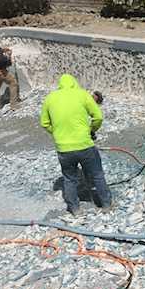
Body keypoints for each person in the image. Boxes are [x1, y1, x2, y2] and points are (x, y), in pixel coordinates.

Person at [40, 74, 112, 216]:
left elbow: (44, 123)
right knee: (97, 174)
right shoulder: (82, 94)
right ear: (74, 83)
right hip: (85, 145)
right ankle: (106, 204)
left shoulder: (50, 98)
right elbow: (98, 117)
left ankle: (75, 209)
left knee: (69, 179)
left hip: (64, 149)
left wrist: (58, 133)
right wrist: (91, 130)